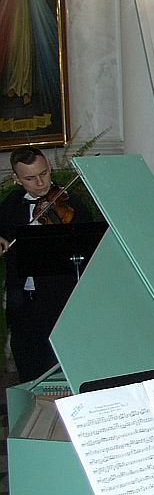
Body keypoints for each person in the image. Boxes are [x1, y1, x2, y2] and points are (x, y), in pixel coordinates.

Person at [0, 147, 93, 382]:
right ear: (16, 179)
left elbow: (87, 246)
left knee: (61, 368)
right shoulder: (11, 205)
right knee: (28, 365)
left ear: (49, 168)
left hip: (59, 299)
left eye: (44, 173)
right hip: (23, 303)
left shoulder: (71, 204)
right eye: (30, 178)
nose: (41, 183)